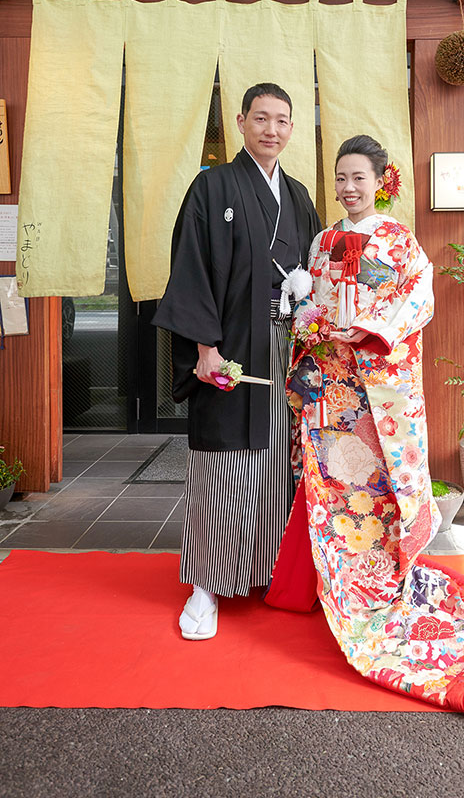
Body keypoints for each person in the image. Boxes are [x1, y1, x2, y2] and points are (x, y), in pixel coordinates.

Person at [269, 135, 464, 712]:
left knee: (381, 492)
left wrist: (374, 331)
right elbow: (310, 309)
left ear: (380, 180)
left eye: (359, 178)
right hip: (334, 394)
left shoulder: (400, 241)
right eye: (342, 178)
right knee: (333, 492)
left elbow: (416, 300)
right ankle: (337, 585)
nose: (350, 189)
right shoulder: (324, 240)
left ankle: (382, 582)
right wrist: (311, 324)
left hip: (380, 395)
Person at [153, 82, 320, 640]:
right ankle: (205, 585)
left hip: (286, 348)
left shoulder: (298, 196)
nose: (272, 130)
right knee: (222, 465)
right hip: (228, 351)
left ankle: (268, 570)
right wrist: (204, 349)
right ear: (242, 123)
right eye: (261, 118)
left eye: (282, 121)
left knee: (278, 464)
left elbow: (314, 273)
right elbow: (192, 268)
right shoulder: (212, 187)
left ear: (292, 129)